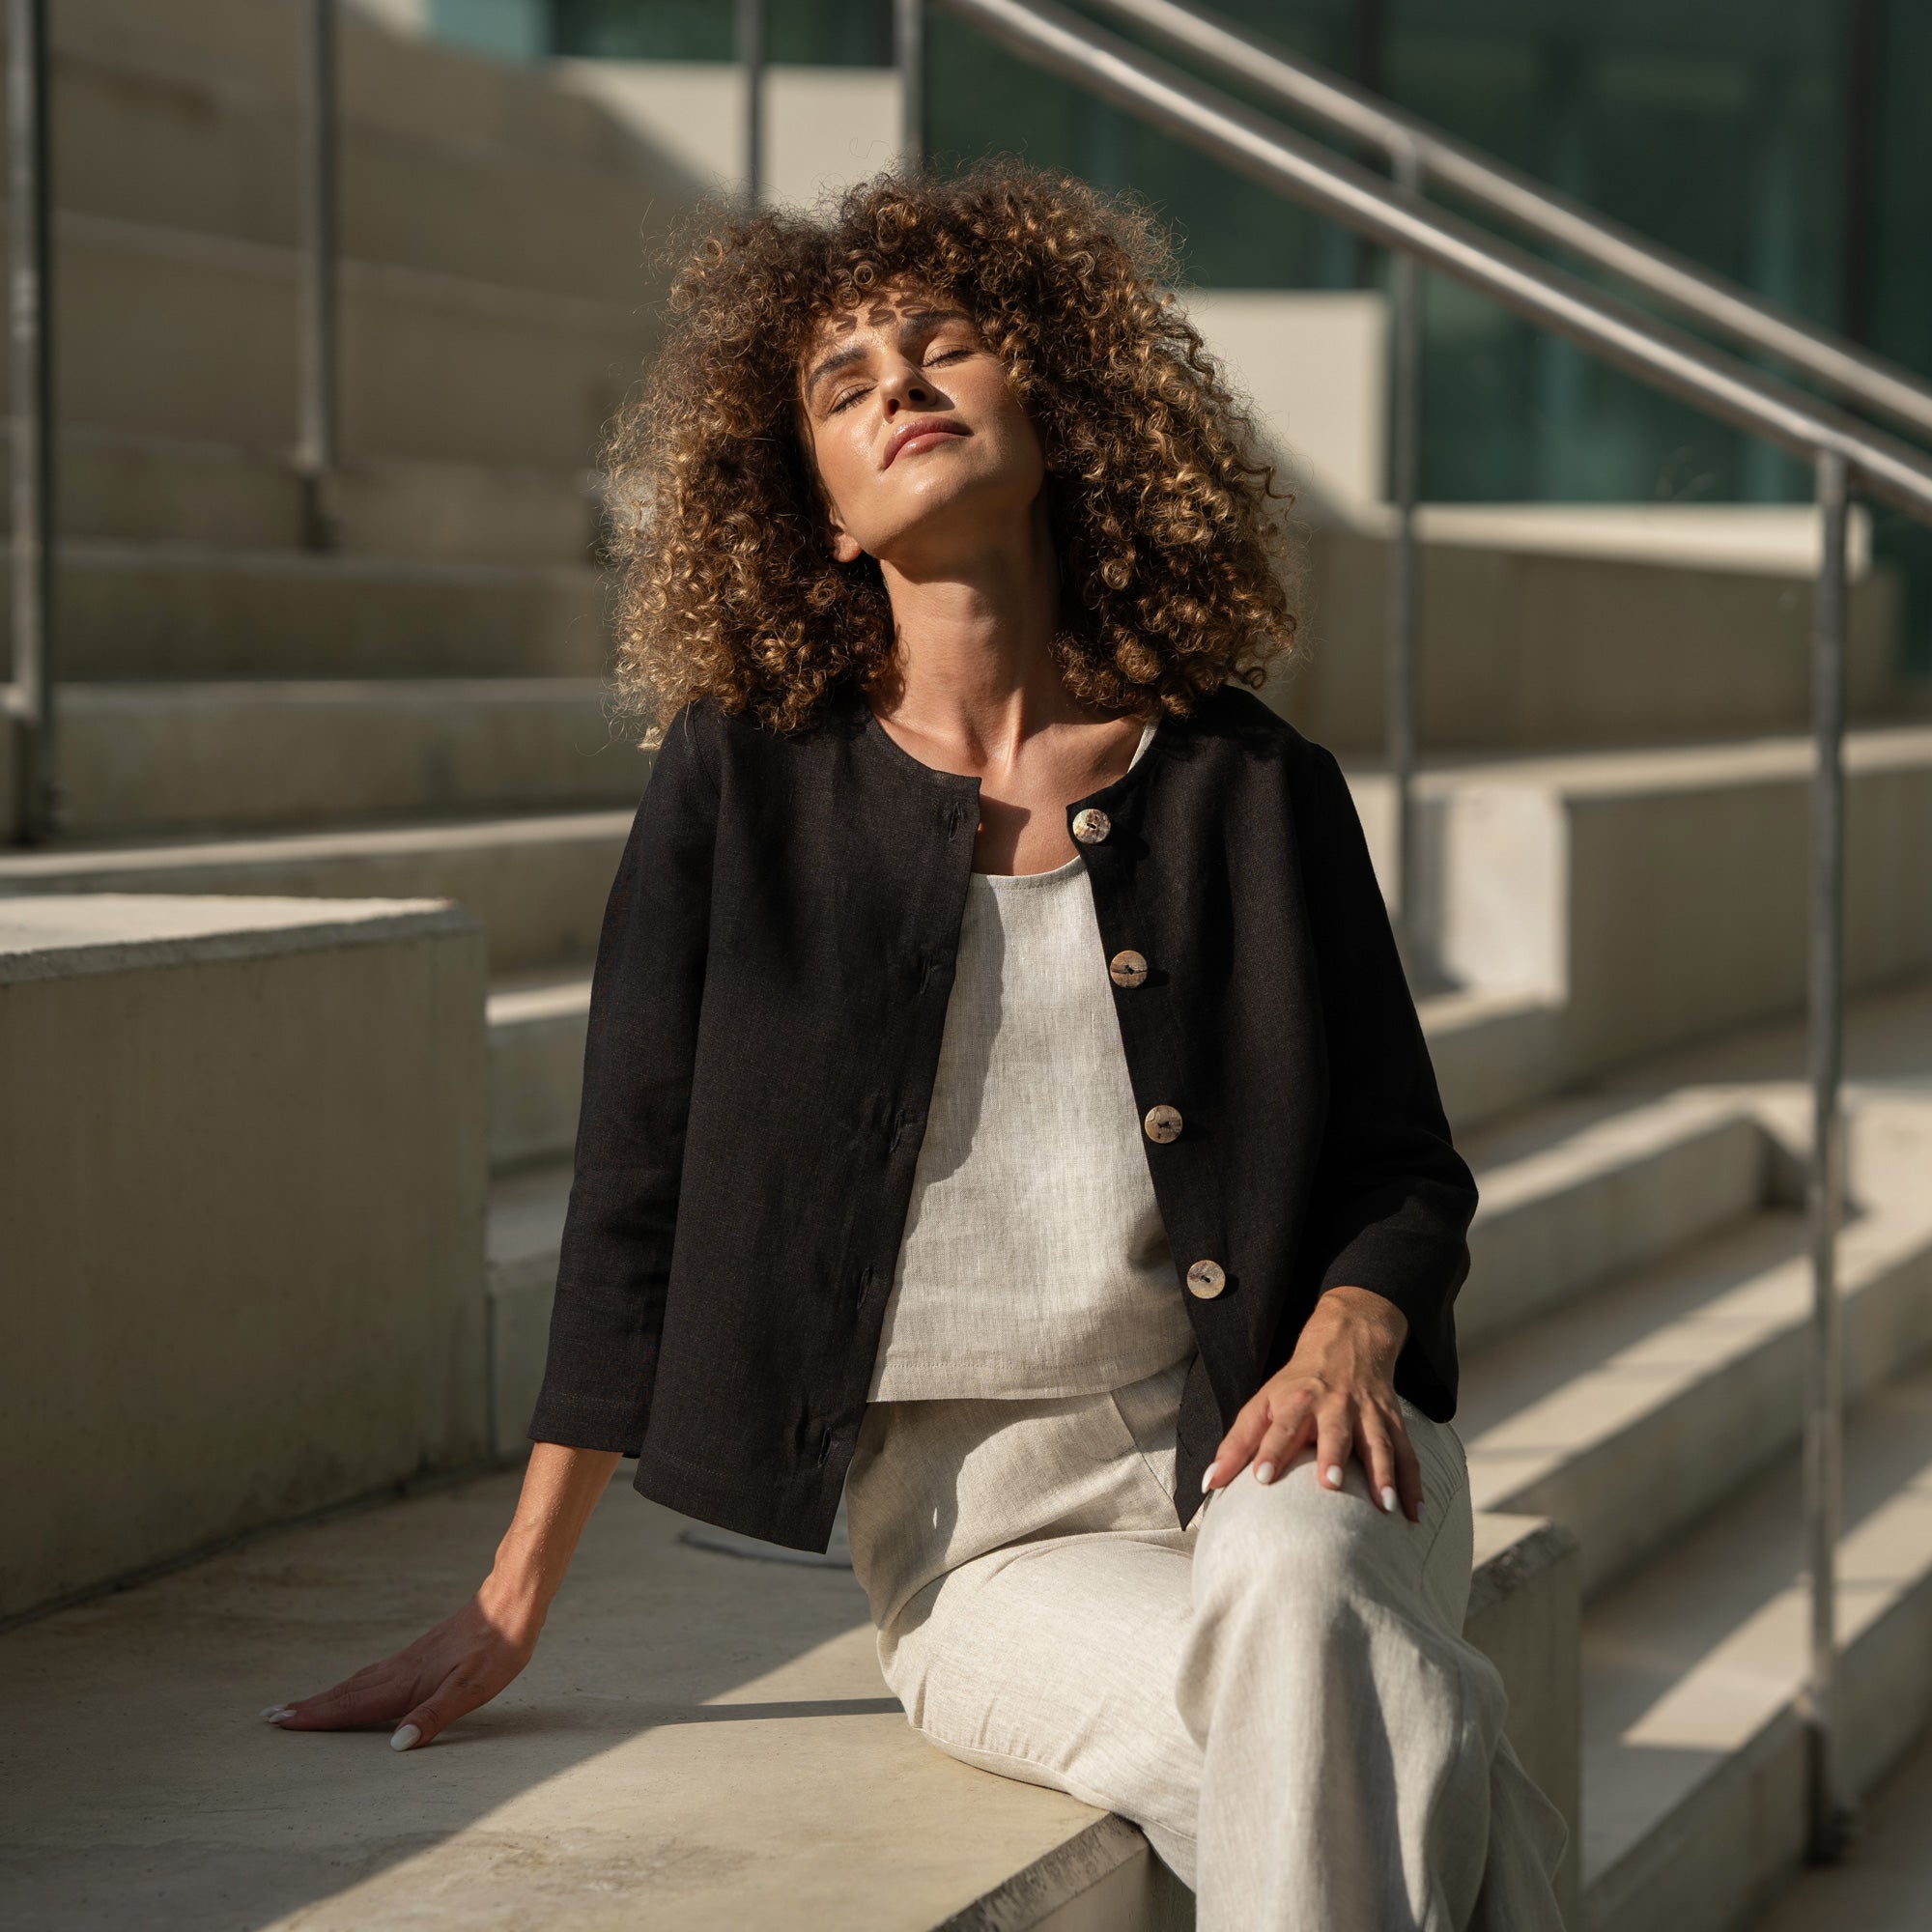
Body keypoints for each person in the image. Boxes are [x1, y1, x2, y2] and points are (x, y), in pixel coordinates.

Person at [263, 163, 1569, 1929]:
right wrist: (513, 1589)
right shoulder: (744, 786)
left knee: (1303, 1593)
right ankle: (1472, 1769)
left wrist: (1349, 1330)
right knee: (1397, 1730)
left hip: (1287, 1447)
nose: (899, 385)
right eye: (844, 380)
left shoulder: (1253, 787)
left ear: (1057, 407)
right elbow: (632, 1188)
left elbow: (1407, 1166)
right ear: (818, 509)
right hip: (989, 1543)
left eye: (944, 345)